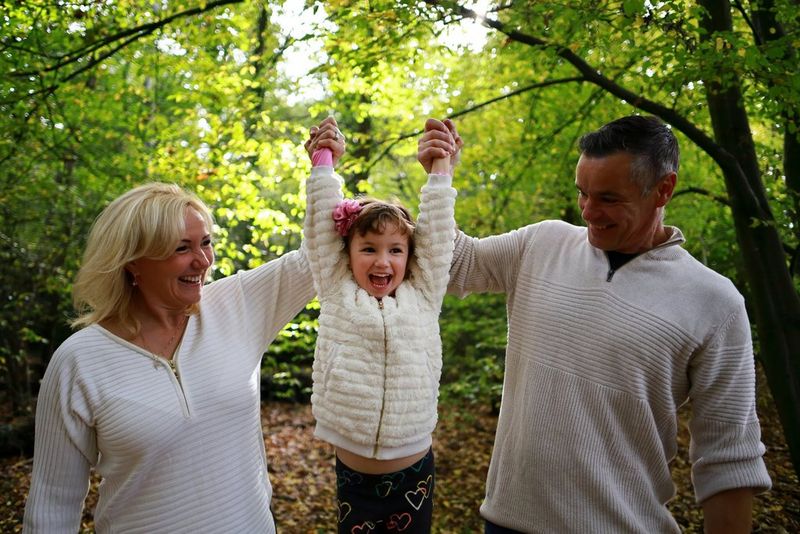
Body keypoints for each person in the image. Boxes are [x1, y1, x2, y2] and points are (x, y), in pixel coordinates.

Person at [417, 115, 772, 533]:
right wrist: (441, 176)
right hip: (506, 521)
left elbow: (729, 458)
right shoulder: (543, 243)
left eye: (607, 198)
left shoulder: (715, 302)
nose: (588, 211)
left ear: (663, 189)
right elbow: (453, 265)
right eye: (582, 193)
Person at [22, 175, 331, 531]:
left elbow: (319, 257)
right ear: (132, 262)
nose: (202, 261)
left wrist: (323, 167)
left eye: (206, 243)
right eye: (181, 248)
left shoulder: (237, 305)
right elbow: (52, 503)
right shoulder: (79, 361)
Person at [302, 116, 458, 533]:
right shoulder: (337, 290)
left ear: (410, 256)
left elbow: (440, 237)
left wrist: (440, 170)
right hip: (354, 477)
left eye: (395, 250)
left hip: (414, 475)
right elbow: (320, 229)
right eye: (368, 248)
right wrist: (323, 161)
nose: (383, 261)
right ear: (348, 254)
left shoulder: (423, 295)